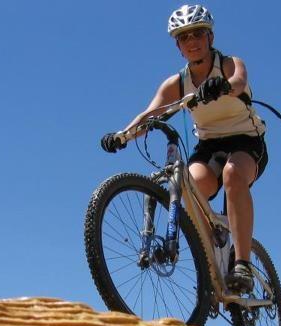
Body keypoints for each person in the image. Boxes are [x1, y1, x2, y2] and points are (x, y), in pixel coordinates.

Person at [100, 4, 268, 294]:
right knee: (191, 186)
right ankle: (211, 257)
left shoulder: (229, 64)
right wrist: (122, 136)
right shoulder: (177, 83)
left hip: (246, 141)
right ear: (178, 46)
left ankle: (241, 263)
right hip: (209, 146)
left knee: (232, 176)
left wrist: (221, 86)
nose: (191, 42)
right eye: (183, 37)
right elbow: (150, 114)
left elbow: (238, 82)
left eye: (198, 34)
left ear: (210, 38)